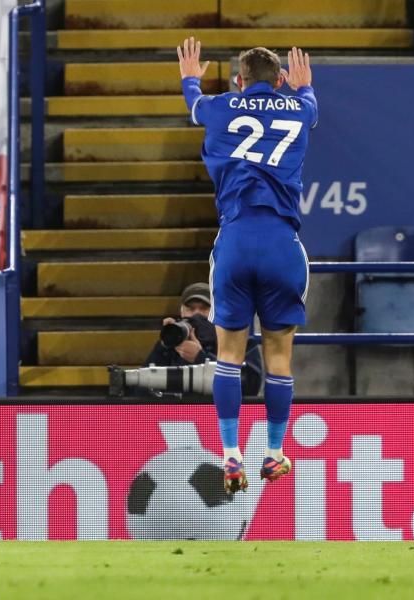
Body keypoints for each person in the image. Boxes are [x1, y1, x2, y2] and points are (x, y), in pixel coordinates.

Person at [177, 39, 316, 493]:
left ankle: (231, 454)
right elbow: (309, 105)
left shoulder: (219, 106)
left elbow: (194, 104)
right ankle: (274, 454)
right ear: (280, 81)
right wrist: (302, 88)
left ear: (239, 80)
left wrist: (190, 77)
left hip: (235, 241)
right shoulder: (299, 109)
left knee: (230, 357)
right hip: (281, 243)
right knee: (278, 357)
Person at [144, 282, 262, 397]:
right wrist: (164, 345)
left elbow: (251, 386)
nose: (197, 314)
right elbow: (141, 390)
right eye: (190, 309)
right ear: (182, 312)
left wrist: (200, 358)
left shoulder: (238, 342)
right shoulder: (172, 344)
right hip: (178, 414)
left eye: (204, 308)